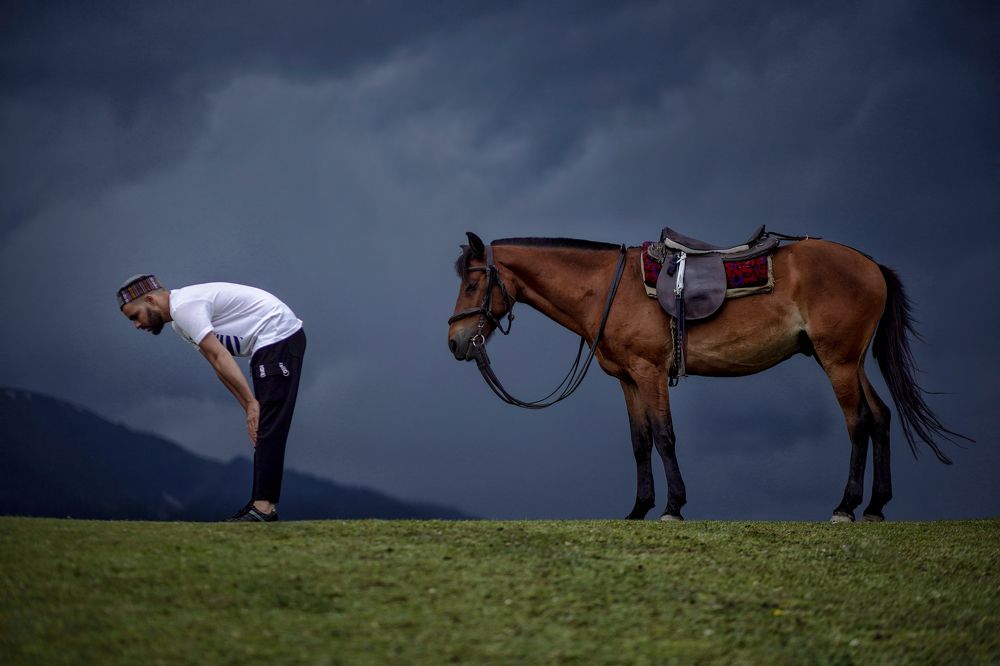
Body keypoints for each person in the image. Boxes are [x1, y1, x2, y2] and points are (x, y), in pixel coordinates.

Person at [117, 275, 306, 522]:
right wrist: (249, 407)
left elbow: (220, 357)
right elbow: (218, 366)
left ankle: (263, 508)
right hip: (269, 343)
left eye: (135, 316)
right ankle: (260, 504)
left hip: (278, 335)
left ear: (151, 299)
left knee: (269, 424)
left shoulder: (184, 307)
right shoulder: (179, 323)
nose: (137, 325)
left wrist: (251, 405)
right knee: (263, 423)